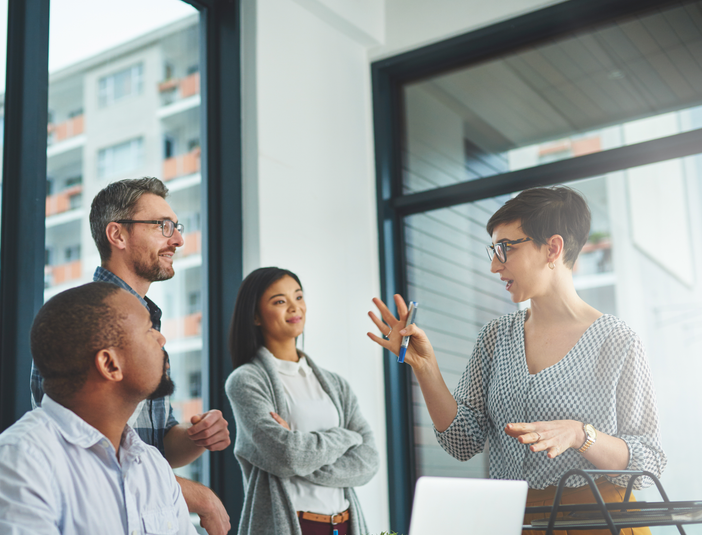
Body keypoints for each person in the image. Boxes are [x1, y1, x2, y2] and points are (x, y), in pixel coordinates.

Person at [367, 186, 665, 535]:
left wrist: (580, 435)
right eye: (493, 250)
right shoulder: (495, 337)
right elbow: (462, 442)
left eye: (505, 249)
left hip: (601, 520)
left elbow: (650, 459)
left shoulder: (618, 340)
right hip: (515, 519)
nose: (494, 265)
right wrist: (426, 368)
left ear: (552, 248)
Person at [30, 176, 232, 535]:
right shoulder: (80, 321)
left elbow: (156, 445)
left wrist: (194, 436)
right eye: (162, 226)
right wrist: (199, 496)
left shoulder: (148, 329)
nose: (178, 240)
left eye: (177, 227)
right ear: (118, 235)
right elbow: (87, 456)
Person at [0, 282, 196, 534]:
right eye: (149, 330)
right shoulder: (16, 466)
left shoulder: (152, 466)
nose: (162, 338)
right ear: (110, 364)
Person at [225, 267, 379, 535]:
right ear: (255, 316)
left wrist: (300, 452)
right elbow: (288, 456)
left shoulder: (336, 384)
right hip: (292, 524)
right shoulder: (245, 381)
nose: (295, 308)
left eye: (298, 297)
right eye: (280, 301)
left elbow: (368, 462)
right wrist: (346, 438)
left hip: (344, 525)